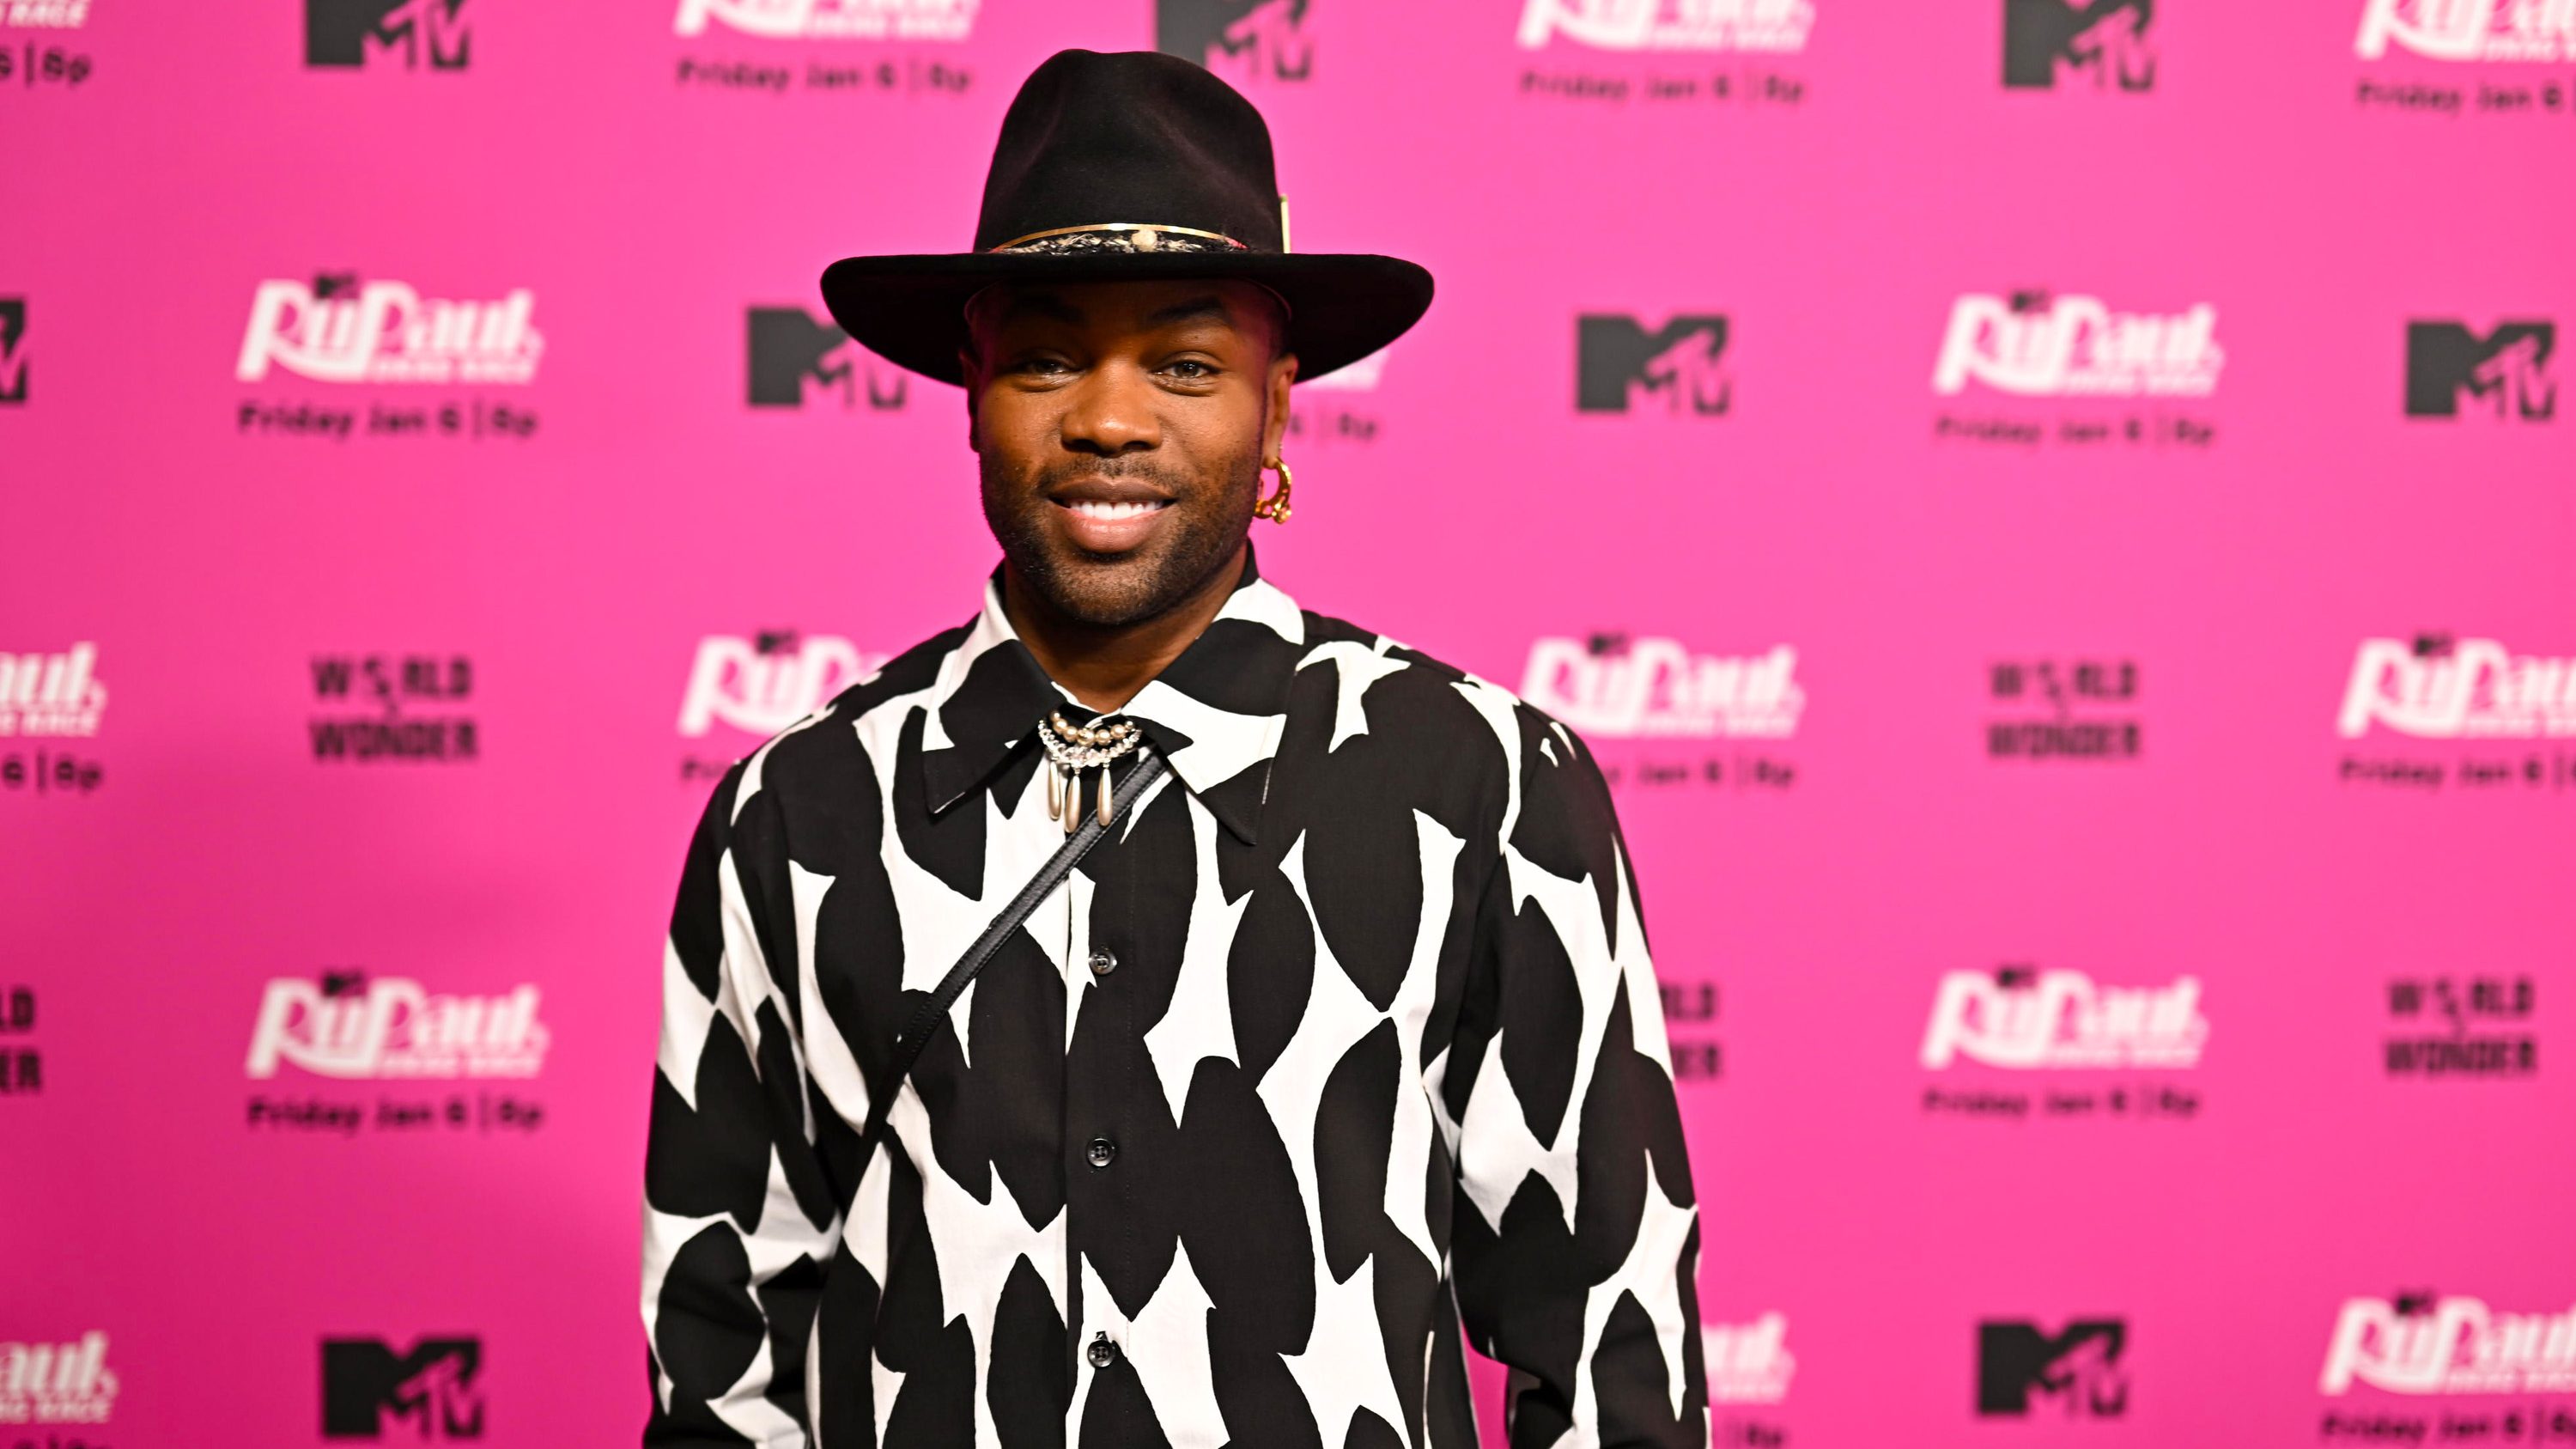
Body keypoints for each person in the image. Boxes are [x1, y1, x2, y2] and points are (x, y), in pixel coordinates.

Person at [641, 46, 1707, 1449]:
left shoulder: (1483, 786)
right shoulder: (798, 811)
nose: (1108, 418)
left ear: (1278, 398)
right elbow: (722, 1367)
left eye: (1186, 363)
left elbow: (1615, 1357)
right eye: (1047, 357)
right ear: (970, 385)